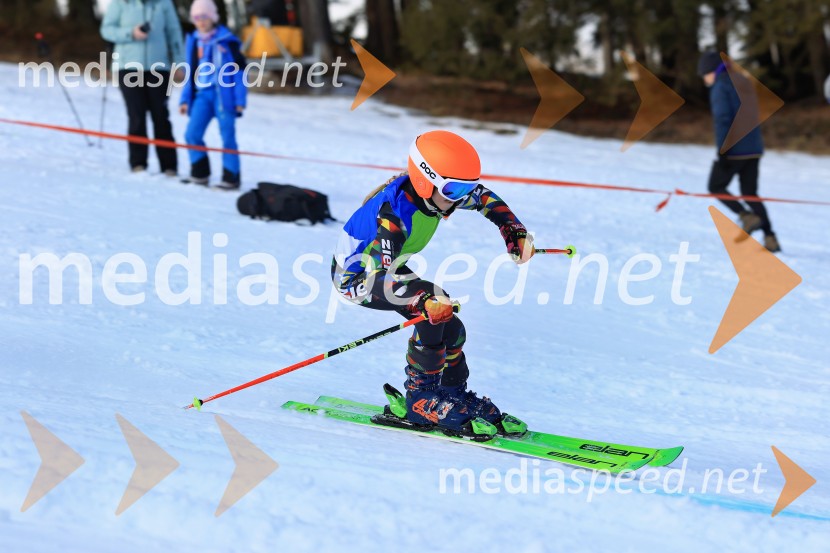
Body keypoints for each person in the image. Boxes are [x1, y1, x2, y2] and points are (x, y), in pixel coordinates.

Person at [331, 130, 534, 439]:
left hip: (387, 268)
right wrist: (423, 299)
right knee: (432, 306)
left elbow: (483, 198)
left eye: (466, 187)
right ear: (426, 181)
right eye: (454, 189)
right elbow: (381, 276)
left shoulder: (438, 196)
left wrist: (513, 230)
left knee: (452, 327)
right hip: (358, 277)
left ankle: (452, 394)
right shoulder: (395, 215)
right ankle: (421, 400)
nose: (461, 197)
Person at [698, 51, 780, 253]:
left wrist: (723, 150)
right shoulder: (744, 81)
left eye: (705, 74)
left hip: (734, 149)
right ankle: (770, 238)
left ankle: (747, 217)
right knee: (750, 194)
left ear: (713, 71)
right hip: (753, 148)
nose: (704, 79)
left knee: (715, 186)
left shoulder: (721, 86)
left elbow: (723, 120)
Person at [101, 0, 184, 175]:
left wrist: (179, 62)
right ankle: (138, 163)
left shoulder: (164, 3)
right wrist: (130, 33)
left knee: (160, 115)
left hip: (159, 68)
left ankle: (169, 166)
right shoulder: (120, 3)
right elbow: (107, 30)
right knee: (136, 115)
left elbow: (174, 32)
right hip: (127, 67)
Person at [179, 0, 247, 189]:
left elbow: (240, 72)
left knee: (227, 136)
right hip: (202, 95)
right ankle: (200, 173)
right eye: (196, 18)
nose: (201, 21)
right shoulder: (193, 41)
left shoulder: (227, 41)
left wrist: (240, 99)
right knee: (192, 134)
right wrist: (185, 99)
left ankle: (231, 177)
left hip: (224, 96)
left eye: (204, 17)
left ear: (213, 18)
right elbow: (190, 72)